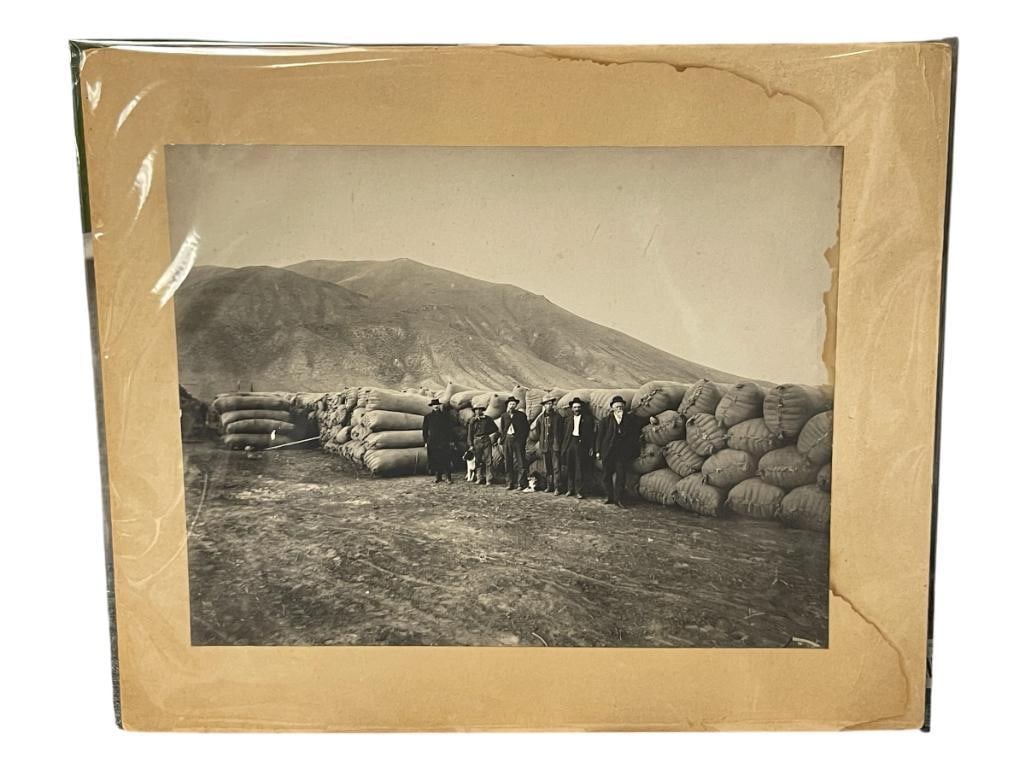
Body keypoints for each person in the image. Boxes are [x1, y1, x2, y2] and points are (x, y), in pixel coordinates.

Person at [596, 395, 643, 507]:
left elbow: (638, 429)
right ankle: (609, 496)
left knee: (621, 476)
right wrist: (598, 451)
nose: (619, 408)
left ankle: (619, 499)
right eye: (617, 406)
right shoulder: (605, 421)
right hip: (608, 452)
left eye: (621, 406)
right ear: (612, 408)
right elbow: (599, 437)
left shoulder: (630, 420)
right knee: (606, 475)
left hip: (622, 453)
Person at [559, 397, 595, 499]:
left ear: (581, 408)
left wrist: (591, 447)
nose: (577, 409)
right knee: (570, 467)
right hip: (570, 443)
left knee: (579, 468)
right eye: (575, 407)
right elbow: (564, 434)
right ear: (572, 408)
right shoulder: (567, 420)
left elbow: (591, 435)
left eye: (578, 407)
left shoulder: (587, 419)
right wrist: (564, 448)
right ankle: (570, 489)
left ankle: (579, 491)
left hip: (581, 445)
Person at [530, 394, 563, 493]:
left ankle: (557, 487)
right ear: (544, 405)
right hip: (545, 446)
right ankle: (549, 486)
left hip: (555, 446)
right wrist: (542, 441)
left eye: (550, 404)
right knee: (547, 467)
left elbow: (561, 432)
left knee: (556, 467)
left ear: (552, 405)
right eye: (546, 404)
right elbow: (539, 432)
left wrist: (557, 442)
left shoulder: (558, 417)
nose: (548, 406)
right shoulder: (540, 418)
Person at [498, 396, 530, 491]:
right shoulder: (504, 416)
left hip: (518, 441)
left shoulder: (521, 415)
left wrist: (522, 440)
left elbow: (526, 429)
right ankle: (510, 483)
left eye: (513, 404)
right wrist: (503, 439)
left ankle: (521, 483)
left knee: (521, 462)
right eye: (510, 404)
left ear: (516, 405)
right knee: (508, 462)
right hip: (508, 440)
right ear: (508, 405)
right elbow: (502, 429)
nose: (512, 406)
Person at [422, 398, 455, 483]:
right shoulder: (428, 417)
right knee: (435, 459)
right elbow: (425, 430)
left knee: (446, 458)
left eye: (437, 405)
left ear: (439, 405)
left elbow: (450, 429)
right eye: (434, 405)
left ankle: (448, 477)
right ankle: (438, 476)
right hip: (432, 441)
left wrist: (451, 440)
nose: (435, 406)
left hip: (444, 441)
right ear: (432, 406)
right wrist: (425, 441)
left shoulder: (445, 416)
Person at [466, 404, 499, 485]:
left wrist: (487, 432)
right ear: (474, 411)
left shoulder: (488, 419)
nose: (478, 411)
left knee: (489, 460)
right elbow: (469, 433)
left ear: (482, 410)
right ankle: (479, 477)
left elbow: (495, 428)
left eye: (480, 409)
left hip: (486, 440)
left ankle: (489, 479)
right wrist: (470, 444)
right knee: (478, 460)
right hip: (476, 441)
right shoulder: (472, 420)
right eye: (476, 410)